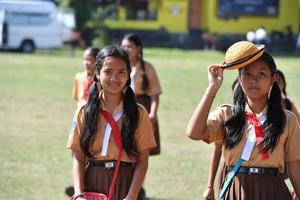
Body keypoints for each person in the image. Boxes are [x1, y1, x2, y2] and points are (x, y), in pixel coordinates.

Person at [186, 41, 300, 199]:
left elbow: (295, 171)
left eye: (261, 74)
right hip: (236, 190)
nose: (253, 80)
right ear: (239, 78)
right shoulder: (227, 115)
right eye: (246, 74)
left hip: (273, 191)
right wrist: (212, 88)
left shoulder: (288, 120)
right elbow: (194, 133)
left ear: (273, 78)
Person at [67, 45, 157, 200]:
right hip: (92, 182)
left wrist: (132, 195)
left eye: (121, 72)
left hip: (126, 183)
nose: (114, 79)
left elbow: (143, 160)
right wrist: (79, 194)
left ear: (128, 75)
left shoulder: (139, 113)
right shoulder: (84, 111)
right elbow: (78, 157)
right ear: (97, 74)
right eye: (108, 72)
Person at [121, 33, 162, 156]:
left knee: (141, 146)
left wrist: (153, 113)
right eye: (123, 46)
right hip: (122, 106)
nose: (126, 49)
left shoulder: (147, 67)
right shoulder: (120, 66)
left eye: (129, 46)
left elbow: (155, 93)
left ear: (138, 48)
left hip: (142, 107)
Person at [202, 79, 239, 200]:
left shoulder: (284, 115)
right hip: (233, 174)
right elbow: (217, 150)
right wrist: (209, 185)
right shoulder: (228, 117)